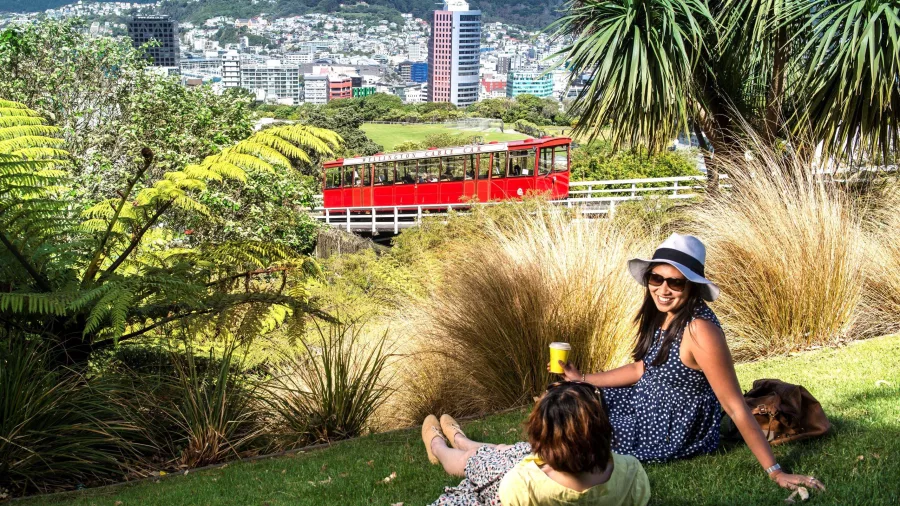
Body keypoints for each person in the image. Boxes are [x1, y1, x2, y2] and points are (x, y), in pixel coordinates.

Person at [554, 233, 826, 493]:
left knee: (574, 432)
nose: (663, 289)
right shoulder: (662, 313)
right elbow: (641, 368)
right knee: (564, 398)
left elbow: (733, 405)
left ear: (692, 286)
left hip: (670, 427)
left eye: (676, 282)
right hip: (643, 400)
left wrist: (776, 471)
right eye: (656, 278)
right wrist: (584, 379)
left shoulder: (700, 330)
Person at [423, 381, 651, 506]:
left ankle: (438, 446)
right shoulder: (631, 470)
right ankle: (462, 439)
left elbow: (513, 483)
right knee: (506, 450)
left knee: (472, 460)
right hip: (554, 462)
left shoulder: (522, 483)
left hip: (512, 478)